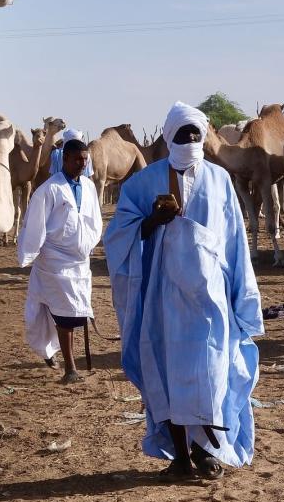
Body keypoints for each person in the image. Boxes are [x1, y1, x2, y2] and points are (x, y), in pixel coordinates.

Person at [104, 102, 263, 480]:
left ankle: (205, 450)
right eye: (183, 134)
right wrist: (152, 221)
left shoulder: (220, 180)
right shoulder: (144, 183)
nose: (190, 140)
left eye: (196, 133)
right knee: (167, 374)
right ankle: (178, 456)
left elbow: (234, 242)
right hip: (163, 296)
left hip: (210, 297)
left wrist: (243, 295)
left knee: (211, 372)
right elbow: (118, 236)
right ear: (168, 137)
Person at [18, 138, 103, 383]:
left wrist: (87, 244)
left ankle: (57, 356)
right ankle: (70, 368)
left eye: (85, 160)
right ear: (65, 159)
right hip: (54, 263)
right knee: (65, 317)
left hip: (79, 263)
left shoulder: (88, 186)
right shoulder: (49, 190)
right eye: (77, 159)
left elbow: (94, 219)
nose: (82, 163)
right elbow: (35, 224)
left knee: (73, 315)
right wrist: (30, 253)